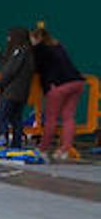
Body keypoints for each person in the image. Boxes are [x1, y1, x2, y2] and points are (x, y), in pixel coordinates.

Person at [31, 25, 86, 161]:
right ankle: (64, 150)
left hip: (58, 86)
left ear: (36, 38)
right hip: (77, 82)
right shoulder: (57, 45)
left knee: (51, 119)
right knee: (68, 117)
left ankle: (42, 149)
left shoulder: (39, 49)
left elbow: (34, 68)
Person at [0, 27, 35, 150]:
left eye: (10, 36)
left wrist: (0, 85)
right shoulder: (29, 52)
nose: (8, 39)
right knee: (16, 119)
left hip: (12, 91)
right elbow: (10, 64)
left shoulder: (20, 51)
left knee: (1, 117)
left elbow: (10, 70)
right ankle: (16, 146)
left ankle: (3, 140)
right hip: (22, 93)